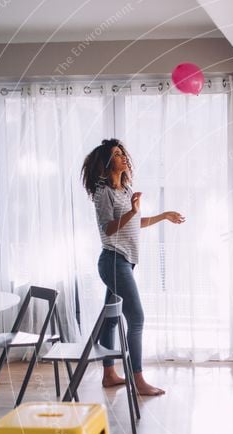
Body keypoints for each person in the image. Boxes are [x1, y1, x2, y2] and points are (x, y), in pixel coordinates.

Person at [81, 138, 185, 396]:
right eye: (117, 155)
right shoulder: (102, 193)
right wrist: (132, 212)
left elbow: (132, 223)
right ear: (106, 164)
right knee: (136, 318)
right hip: (113, 261)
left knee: (112, 318)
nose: (123, 157)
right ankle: (138, 379)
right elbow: (108, 227)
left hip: (125, 261)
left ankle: (109, 375)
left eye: (123, 153)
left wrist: (163, 216)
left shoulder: (126, 191)